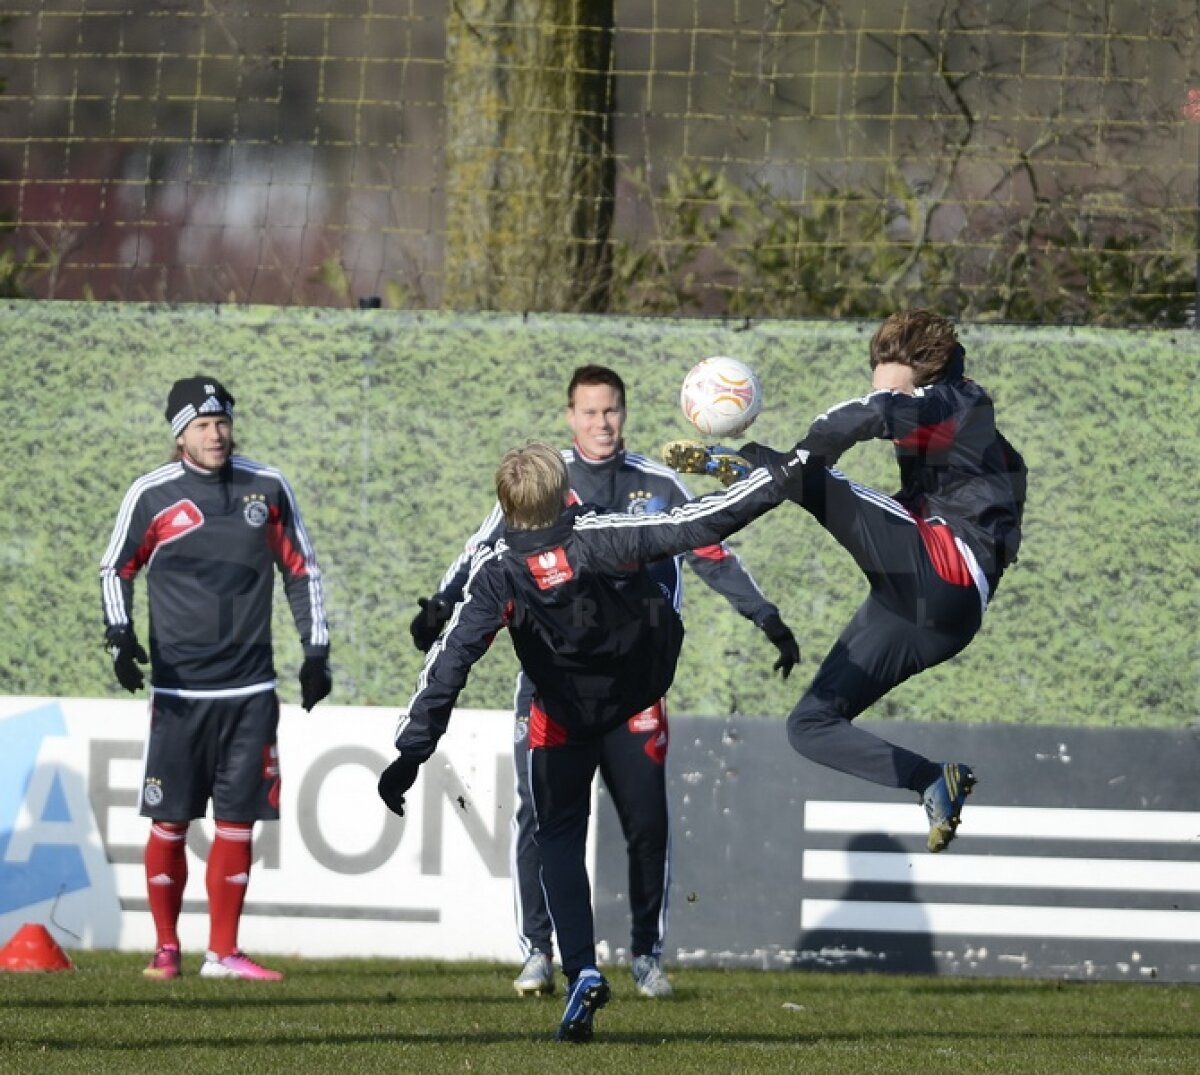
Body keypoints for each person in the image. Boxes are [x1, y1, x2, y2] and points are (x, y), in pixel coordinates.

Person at [408, 364, 799, 999]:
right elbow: (484, 550)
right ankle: (539, 951)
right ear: (571, 416)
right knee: (541, 817)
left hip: (630, 689)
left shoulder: (656, 483)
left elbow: (707, 547)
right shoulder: (543, 483)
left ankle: (646, 956)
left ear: (624, 412)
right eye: (589, 411)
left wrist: (765, 616)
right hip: (552, 689)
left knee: (646, 821)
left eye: (611, 410)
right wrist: (440, 604)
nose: (602, 422)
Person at [666, 309, 1027, 852]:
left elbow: (873, 413)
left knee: (818, 481)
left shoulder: (960, 401)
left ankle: (764, 468)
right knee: (810, 726)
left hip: (946, 568)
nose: (886, 396)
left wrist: (801, 460)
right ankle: (932, 779)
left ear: (927, 378)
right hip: (930, 614)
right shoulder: (956, 425)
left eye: (896, 388)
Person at [99, 376, 332, 981]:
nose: (217, 434)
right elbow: (115, 568)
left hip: (250, 691)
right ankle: (166, 949)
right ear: (181, 436)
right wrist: (120, 635)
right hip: (179, 693)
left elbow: (302, 570)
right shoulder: (152, 494)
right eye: (202, 425)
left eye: (222, 422)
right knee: (170, 819)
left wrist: (316, 652)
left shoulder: (267, 487)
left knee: (237, 820)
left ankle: (223, 953)